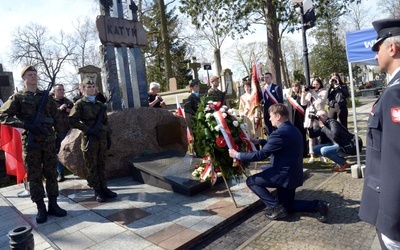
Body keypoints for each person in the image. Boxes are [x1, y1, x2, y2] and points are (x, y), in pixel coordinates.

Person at [228, 104, 329, 222]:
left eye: (271, 116)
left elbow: (261, 155)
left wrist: (237, 155)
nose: (269, 119)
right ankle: (319, 205)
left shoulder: (280, 133)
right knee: (288, 206)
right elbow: (280, 145)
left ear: (278, 116)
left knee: (252, 181)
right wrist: (260, 141)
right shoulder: (292, 129)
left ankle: (276, 208)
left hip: (283, 174)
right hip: (293, 174)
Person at [0, 66, 67, 223]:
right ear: (24, 78)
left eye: (35, 74)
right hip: (31, 142)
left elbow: (56, 116)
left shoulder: (46, 96)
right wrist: (25, 125)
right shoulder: (18, 97)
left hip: (49, 141)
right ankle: (40, 208)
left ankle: (53, 205)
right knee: (35, 176)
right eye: (30, 75)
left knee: (51, 173)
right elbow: (3, 115)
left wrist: (59, 138)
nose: (34, 77)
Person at [359, 18, 400, 250]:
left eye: (378, 48)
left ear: (392, 48)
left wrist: (391, 223)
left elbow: (396, 161)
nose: (375, 56)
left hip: (393, 215)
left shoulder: (395, 94)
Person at [69, 78, 117, 202]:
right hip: (90, 139)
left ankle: (104, 188)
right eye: (88, 87)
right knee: (92, 166)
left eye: (93, 87)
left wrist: (108, 136)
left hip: (102, 139)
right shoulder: (80, 104)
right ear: (83, 89)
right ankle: (97, 190)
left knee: (101, 164)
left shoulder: (100, 105)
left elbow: (106, 123)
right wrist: (88, 129)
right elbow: (72, 120)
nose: (91, 89)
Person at [300, 78, 328, 163]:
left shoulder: (324, 92)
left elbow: (320, 101)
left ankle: (321, 155)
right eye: (314, 84)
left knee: (320, 136)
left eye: (317, 84)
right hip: (309, 115)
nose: (315, 86)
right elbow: (303, 103)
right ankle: (311, 155)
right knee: (311, 136)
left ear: (320, 84)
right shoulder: (309, 93)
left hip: (319, 115)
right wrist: (303, 93)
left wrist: (313, 92)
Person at [52, 83, 73, 182]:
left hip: (70, 130)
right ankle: (60, 172)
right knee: (59, 152)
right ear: (54, 91)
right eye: (59, 89)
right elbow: (48, 114)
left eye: (62, 89)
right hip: (57, 131)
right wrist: (59, 109)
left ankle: (74, 169)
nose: (62, 91)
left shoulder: (68, 101)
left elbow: (75, 112)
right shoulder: (50, 102)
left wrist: (69, 110)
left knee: (71, 151)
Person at [286, 82, 307, 157]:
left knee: (301, 134)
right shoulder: (290, 97)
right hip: (292, 118)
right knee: (293, 135)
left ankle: (303, 151)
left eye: (296, 86)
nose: (294, 88)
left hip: (300, 117)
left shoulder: (301, 96)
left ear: (299, 87)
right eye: (293, 87)